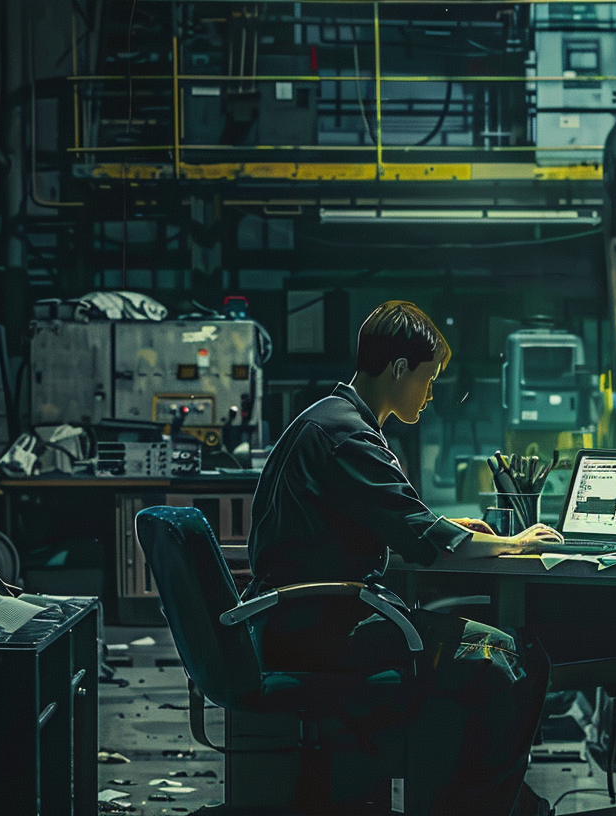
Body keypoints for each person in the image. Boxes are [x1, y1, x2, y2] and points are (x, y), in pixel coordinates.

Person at [246, 300, 562, 815]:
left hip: (298, 621)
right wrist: (516, 542)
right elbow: (426, 543)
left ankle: (487, 801)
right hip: (324, 630)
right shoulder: (349, 436)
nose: (432, 394)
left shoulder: (329, 420)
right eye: (429, 378)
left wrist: (443, 527)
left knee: (483, 649)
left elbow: (384, 520)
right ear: (398, 369)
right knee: (510, 658)